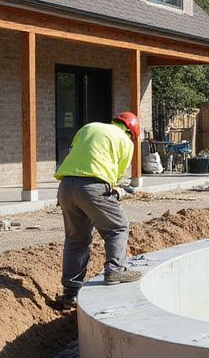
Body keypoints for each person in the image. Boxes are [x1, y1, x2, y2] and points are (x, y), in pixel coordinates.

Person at [55, 111, 144, 307]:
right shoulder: (125, 141)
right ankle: (115, 270)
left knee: (76, 239)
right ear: (132, 132)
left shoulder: (89, 127)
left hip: (66, 186)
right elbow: (116, 176)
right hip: (94, 187)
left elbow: (74, 151)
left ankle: (70, 293)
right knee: (117, 227)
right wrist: (116, 191)